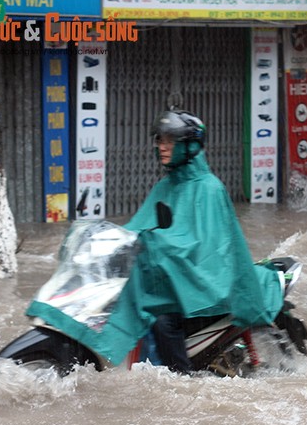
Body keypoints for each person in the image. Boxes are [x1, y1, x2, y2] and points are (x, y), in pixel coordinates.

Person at [26, 109, 285, 372]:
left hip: (203, 283)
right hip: (172, 279)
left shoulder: (209, 187)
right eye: (160, 140)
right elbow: (139, 227)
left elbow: (207, 248)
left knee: (162, 321)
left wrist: (156, 246)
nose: (162, 146)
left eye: (170, 141)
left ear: (190, 145)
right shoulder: (165, 186)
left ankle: (182, 379)